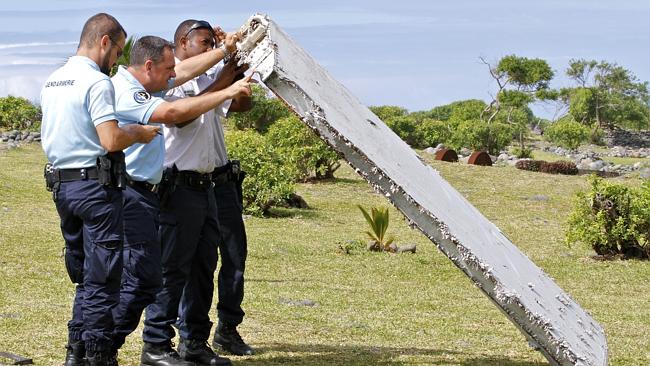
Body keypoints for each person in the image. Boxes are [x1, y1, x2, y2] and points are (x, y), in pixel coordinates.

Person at [110, 33, 252, 366]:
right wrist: (227, 85)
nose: (174, 73)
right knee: (170, 270)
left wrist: (226, 53)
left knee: (204, 266)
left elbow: (187, 72)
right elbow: (177, 113)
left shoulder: (159, 78)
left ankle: (195, 342)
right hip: (170, 188)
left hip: (207, 187)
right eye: (169, 67)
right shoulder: (135, 89)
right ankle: (156, 344)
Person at [40, 13, 159, 366]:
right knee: (104, 280)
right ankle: (98, 355)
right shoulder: (96, 82)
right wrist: (138, 131)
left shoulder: (54, 80)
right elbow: (110, 139)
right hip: (96, 189)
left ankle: (75, 351)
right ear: (104, 41)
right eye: (118, 50)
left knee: (85, 276)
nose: (118, 60)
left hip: (63, 187)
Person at [162, 19, 254, 361]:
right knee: (184, 264)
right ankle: (176, 337)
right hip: (184, 185)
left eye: (211, 42)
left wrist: (238, 65)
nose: (209, 48)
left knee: (230, 256)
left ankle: (223, 329)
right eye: (204, 43)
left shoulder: (208, 77)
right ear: (183, 43)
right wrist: (226, 68)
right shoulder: (169, 78)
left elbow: (241, 107)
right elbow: (182, 117)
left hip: (219, 179)